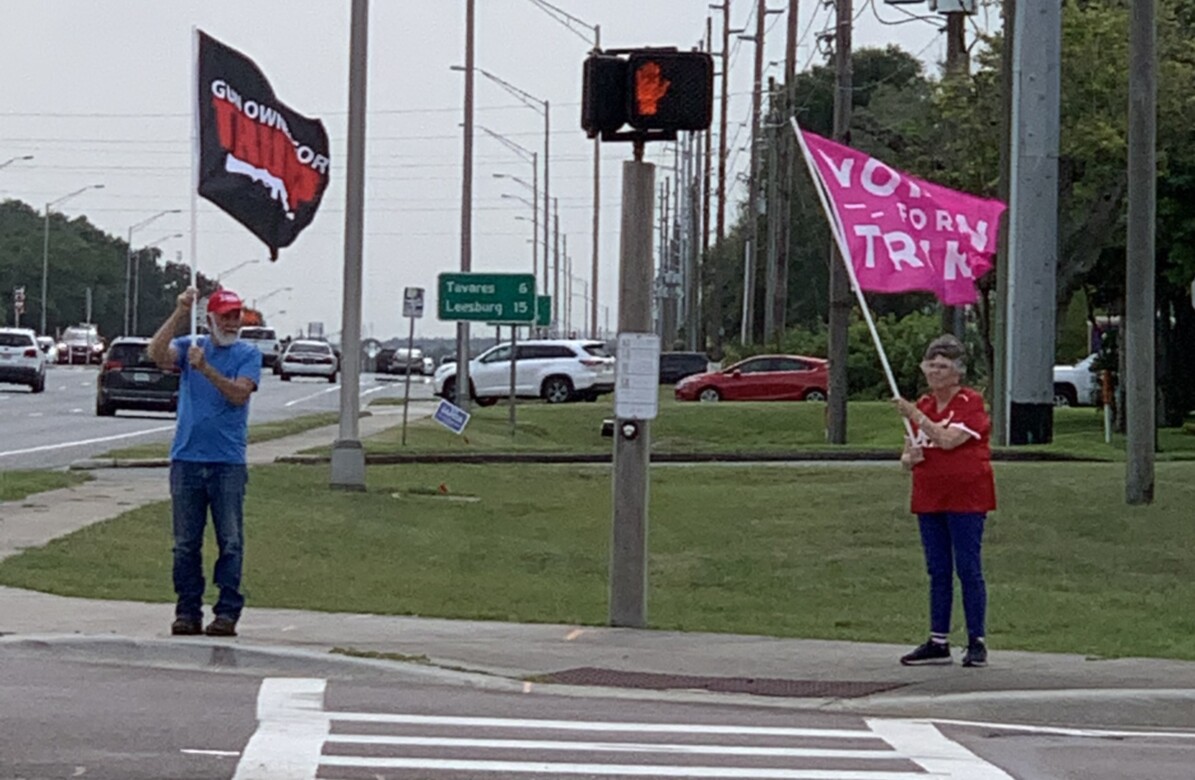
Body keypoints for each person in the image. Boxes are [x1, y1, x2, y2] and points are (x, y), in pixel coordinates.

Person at [148, 286, 261, 638]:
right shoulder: (191, 346)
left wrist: (206, 369)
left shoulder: (248, 353)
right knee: (185, 543)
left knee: (230, 540)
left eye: (236, 315)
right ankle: (187, 611)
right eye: (225, 315)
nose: (232, 322)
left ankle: (226, 612)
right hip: (187, 459)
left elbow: (239, 394)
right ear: (210, 318)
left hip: (227, 463)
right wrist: (180, 312)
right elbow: (156, 353)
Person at [893, 334, 996, 668]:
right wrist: (910, 458)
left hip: (966, 496)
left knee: (968, 566)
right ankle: (938, 640)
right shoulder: (921, 407)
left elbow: (951, 440)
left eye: (943, 366)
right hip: (930, 495)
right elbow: (907, 456)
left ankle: (976, 640)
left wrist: (918, 418)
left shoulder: (970, 403)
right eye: (931, 365)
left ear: (957, 372)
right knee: (937, 570)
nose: (935, 372)